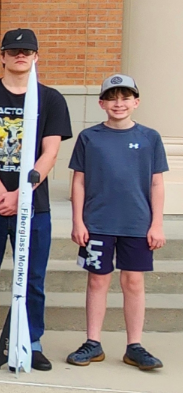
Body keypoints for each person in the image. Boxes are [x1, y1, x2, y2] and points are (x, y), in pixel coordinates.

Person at [0, 29, 72, 370]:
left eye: (27, 51)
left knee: (33, 276)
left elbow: (50, 153)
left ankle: (30, 339)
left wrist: (21, 195)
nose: (20, 56)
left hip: (34, 207)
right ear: (3, 57)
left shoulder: (50, 99)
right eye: (13, 50)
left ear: (36, 57)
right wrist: (0, 193)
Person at [66, 74, 167, 371]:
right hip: (97, 222)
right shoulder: (89, 137)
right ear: (101, 103)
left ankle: (134, 345)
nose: (118, 103)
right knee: (97, 281)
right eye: (112, 97)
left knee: (133, 282)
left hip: (136, 223)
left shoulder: (150, 138)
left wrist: (156, 223)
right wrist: (78, 221)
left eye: (125, 97)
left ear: (136, 102)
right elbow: (79, 182)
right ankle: (93, 343)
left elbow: (157, 184)